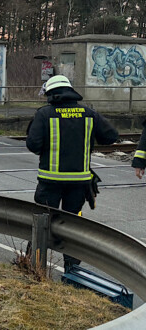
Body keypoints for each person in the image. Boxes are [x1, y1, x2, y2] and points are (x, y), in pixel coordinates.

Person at [26, 75, 118, 271]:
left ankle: (33, 264)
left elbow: (33, 144)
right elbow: (111, 136)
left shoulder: (44, 114)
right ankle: (72, 268)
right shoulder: (89, 114)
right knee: (73, 225)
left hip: (50, 182)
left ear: (51, 93)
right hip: (79, 183)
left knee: (42, 222)